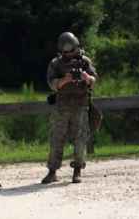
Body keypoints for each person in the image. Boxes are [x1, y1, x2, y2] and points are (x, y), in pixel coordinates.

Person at [43, 31, 98, 184]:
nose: (70, 54)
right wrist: (62, 81)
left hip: (79, 107)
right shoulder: (56, 63)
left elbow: (95, 79)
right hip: (61, 107)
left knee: (80, 139)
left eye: (72, 50)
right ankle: (52, 171)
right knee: (56, 139)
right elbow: (51, 82)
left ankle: (77, 170)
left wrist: (87, 78)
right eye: (66, 52)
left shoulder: (84, 61)